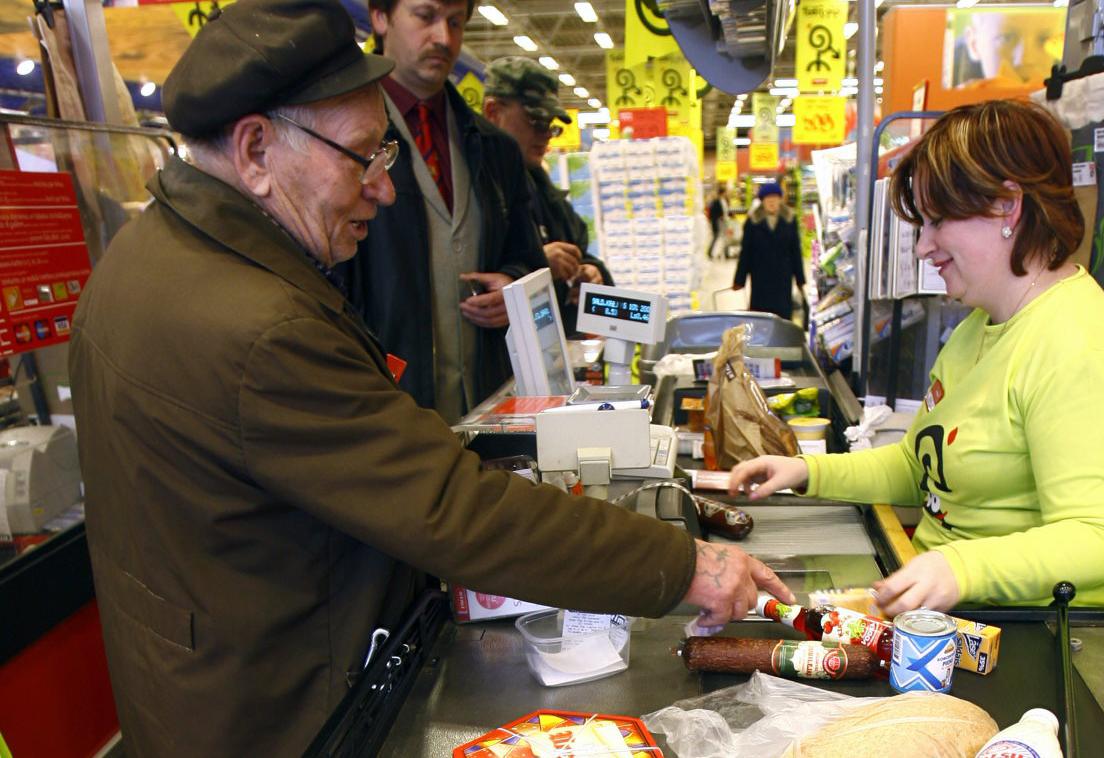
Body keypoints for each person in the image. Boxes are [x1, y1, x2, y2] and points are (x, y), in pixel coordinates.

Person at [67, 2, 791, 755]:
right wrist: (685, 565)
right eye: (362, 157)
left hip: (197, 680)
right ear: (255, 150)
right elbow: (452, 510)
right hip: (278, 713)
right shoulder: (256, 327)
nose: (383, 189)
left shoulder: (145, 256)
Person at [728, 100, 1104, 616]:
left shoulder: (1081, 347)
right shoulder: (980, 327)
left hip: (1036, 633)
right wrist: (806, 472)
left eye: (937, 221)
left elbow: (1099, 537)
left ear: (1007, 207)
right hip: (946, 614)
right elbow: (919, 467)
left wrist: (961, 567)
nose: (922, 247)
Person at [344, 0, 548, 423]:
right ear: (380, 17)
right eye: (426, 16)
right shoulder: (337, 142)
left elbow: (529, 258)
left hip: (488, 410)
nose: (444, 38)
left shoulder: (496, 150)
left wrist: (511, 285)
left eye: (456, 22)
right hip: (385, 412)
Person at [480, 56, 612, 335]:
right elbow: (470, 280)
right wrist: (538, 264)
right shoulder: (473, 187)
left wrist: (588, 273)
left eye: (550, 125)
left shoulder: (539, 185)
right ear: (493, 112)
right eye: (535, 121)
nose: (546, 135)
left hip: (550, 351)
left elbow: (580, 247)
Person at [732, 182, 806, 322]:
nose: (771, 201)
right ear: (762, 201)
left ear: (780, 199)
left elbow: (796, 250)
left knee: (782, 317)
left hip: (783, 277)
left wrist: (800, 279)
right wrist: (739, 280)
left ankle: (783, 340)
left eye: (775, 197)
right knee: (760, 317)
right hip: (760, 277)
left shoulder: (790, 219)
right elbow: (745, 253)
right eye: (768, 198)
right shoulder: (753, 221)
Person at [707, 184, 731, 260]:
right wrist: (719, 217)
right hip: (718, 222)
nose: (727, 193)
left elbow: (726, 211)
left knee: (725, 237)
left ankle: (726, 253)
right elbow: (713, 213)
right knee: (716, 237)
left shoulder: (725, 201)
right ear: (723, 192)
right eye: (726, 192)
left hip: (724, 222)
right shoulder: (716, 201)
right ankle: (710, 252)